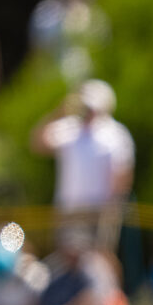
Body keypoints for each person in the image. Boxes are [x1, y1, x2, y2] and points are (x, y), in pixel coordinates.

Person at [30, 79, 134, 252]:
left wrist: (112, 210)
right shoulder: (69, 128)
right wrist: (59, 112)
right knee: (65, 257)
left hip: (99, 211)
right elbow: (37, 144)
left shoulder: (115, 134)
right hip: (68, 209)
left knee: (98, 257)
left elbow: (123, 176)